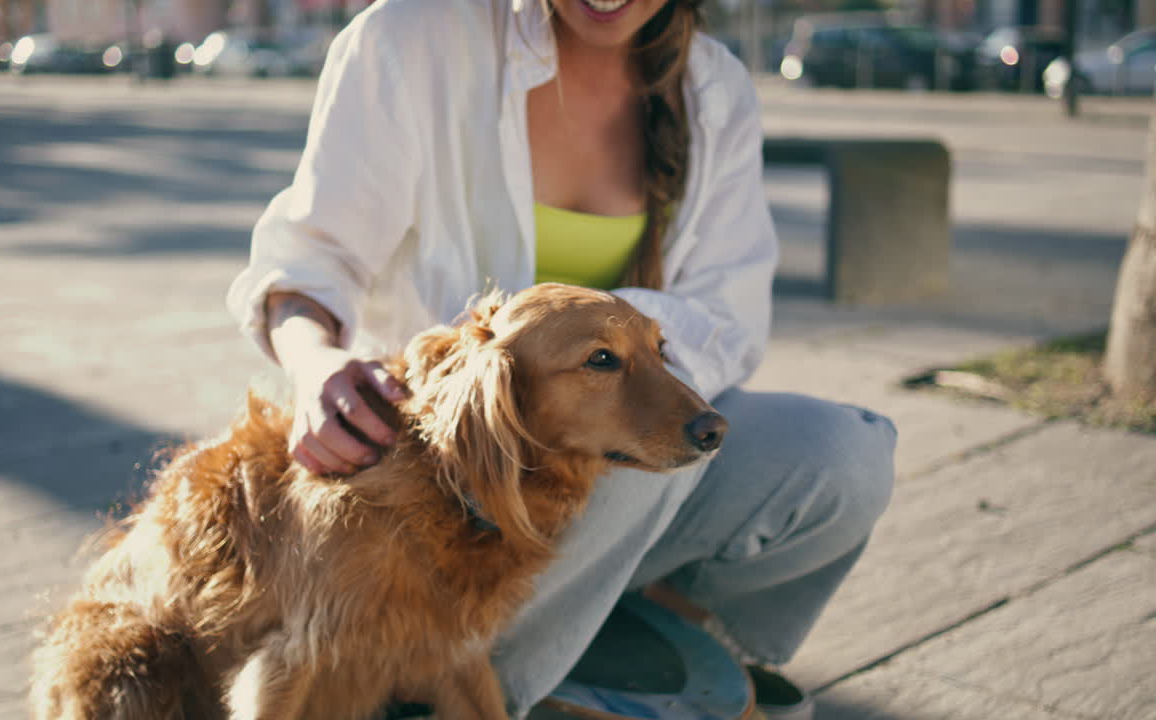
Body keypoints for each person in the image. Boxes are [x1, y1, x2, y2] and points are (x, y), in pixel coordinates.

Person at [226, 0, 897, 717]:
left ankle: (627, 637)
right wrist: (314, 362)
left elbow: (728, 318)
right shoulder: (412, 34)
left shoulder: (714, 88)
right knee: (620, 449)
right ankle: (453, 689)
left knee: (842, 454)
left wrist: (595, 345)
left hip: (606, 501)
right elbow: (311, 258)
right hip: (433, 494)